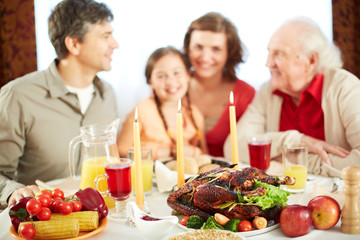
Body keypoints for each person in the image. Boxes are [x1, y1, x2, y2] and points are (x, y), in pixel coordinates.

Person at [0, 0, 119, 208]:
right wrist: (13, 191)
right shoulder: (17, 96)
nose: (115, 44)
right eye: (105, 36)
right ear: (73, 44)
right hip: (44, 220)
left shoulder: (107, 94)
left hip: (101, 217)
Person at [224, 16, 360, 177]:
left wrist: (294, 160)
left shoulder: (346, 88)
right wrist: (293, 141)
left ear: (310, 60)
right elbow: (232, 147)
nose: (268, 63)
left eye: (279, 54)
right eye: (269, 53)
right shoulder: (268, 91)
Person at [183, 12, 255, 157]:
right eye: (198, 47)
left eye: (216, 49)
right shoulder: (170, 87)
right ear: (188, 47)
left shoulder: (244, 94)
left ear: (229, 53)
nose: (205, 57)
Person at [117, 46, 207, 160]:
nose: (170, 81)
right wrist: (166, 152)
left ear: (188, 75)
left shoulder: (194, 114)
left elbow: (204, 155)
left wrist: (196, 152)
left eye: (176, 73)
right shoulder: (143, 110)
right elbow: (121, 150)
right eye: (161, 76)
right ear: (150, 82)